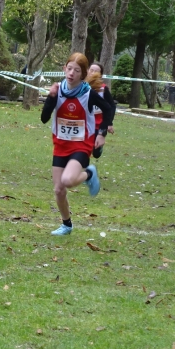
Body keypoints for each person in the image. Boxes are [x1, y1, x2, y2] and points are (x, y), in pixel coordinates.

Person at [41, 53, 115, 236]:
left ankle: (89, 173)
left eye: (77, 70)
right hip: (60, 144)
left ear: (83, 75)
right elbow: (44, 118)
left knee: (67, 181)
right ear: (64, 69)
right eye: (69, 68)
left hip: (81, 145)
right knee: (58, 190)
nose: (72, 73)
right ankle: (66, 225)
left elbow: (107, 108)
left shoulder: (88, 93)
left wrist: (102, 133)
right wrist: (51, 98)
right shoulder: (58, 89)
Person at [87, 62, 116, 158]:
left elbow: (111, 105)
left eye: (96, 71)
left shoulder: (103, 89)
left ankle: (98, 149)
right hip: (85, 123)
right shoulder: (82, 87)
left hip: (99, 124)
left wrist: (109, 123)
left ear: (101, 75)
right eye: (91, 70)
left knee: (96, 153)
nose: (93, 73)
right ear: (87, 71)